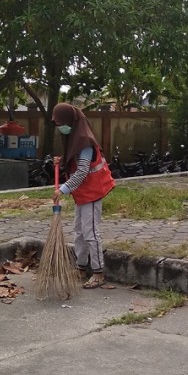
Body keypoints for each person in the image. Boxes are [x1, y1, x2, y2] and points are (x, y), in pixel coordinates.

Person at [52, 103, 115, 289]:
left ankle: (98, 272)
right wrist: (62, 160)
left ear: (70, 121)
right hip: (82, 194)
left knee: (91, 233)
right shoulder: (74, 139)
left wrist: (62, 189)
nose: (59, 127)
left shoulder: (84, 141)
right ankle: (80, 267)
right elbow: (76, 160)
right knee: (79, 232)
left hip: (93, 193)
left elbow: (81, 172)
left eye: (60, 123)